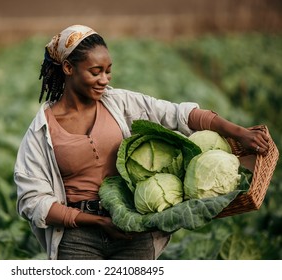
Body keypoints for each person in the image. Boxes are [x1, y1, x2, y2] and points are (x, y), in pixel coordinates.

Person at [14, 25, 269, 260]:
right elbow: (32, 200)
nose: (105, 79)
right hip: (78, 236)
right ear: (68, 68)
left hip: (133, 227)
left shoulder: (120, 102)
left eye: (108, 71)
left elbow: (179, 114)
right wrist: (94, 222)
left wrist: (238, 132)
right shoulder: (40, 131)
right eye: (96, 72)